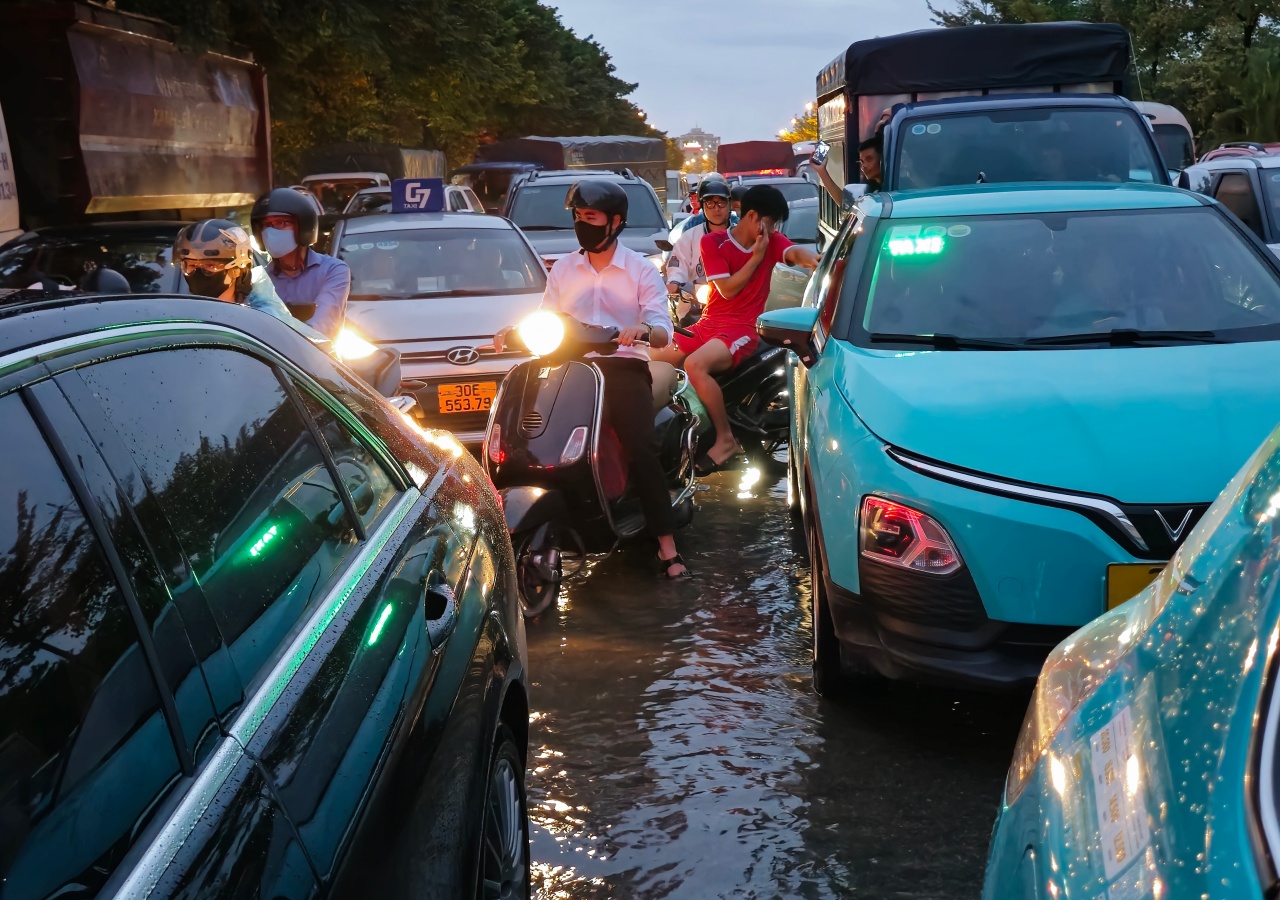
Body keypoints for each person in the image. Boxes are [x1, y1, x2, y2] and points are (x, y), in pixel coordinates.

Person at [499, 179, 691, 579]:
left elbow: (661, 326)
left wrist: (643, 330)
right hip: (569, 369)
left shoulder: (640, 269)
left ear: (615, 222)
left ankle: (667, 547)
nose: (582, 224)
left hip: (622, 366)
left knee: (640, 448)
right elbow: (546, 314)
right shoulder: (564, 268)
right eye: (578, 217)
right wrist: (513, 331)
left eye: (591, 217)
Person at [653, 185, 819, 472]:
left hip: (742, 329)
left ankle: (725, 439)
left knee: (695, 364)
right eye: (771, 222)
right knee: (650, 355)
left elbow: (795, 253)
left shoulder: (772, 242)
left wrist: (816, 261)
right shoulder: (713, 243)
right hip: (707, 323)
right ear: (753, 216)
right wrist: (757, 256)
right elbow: (726, 289)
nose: (774, 229)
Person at [174, 218, 320, 337]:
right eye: (191, 266)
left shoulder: (263, 320)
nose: (198, 273)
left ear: (238, 270)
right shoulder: (181, 318)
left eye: (210, 266)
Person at [250, 188, 351, 339]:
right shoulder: (260, 280)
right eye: (265, 225)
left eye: (280, 223)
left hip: (320, 359)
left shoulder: (333, 270)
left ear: (304, 227)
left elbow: (324, 324)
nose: (270, 231)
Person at [665, 174, 735, 319]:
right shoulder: (689, 236)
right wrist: (674, 281)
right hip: (695, 302)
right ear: (702, 205)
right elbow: (677, 263)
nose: (716, 209)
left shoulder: (740, 234)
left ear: (729, 205)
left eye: (721, 202)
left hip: (734, 302)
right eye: (710, 203)